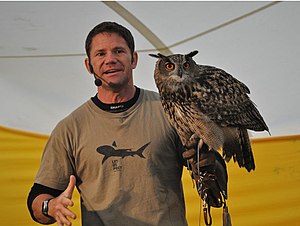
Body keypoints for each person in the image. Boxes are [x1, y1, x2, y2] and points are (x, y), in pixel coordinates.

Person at [27, 21, 190, 226]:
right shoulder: (70, 128)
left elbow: (209, 172)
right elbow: (39, 197)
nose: (110, 59)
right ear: (89, 66)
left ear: (134, 59)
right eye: (100, 54)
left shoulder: (171, 110)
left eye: (119, 51)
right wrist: (50, 206)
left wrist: (210, 165)